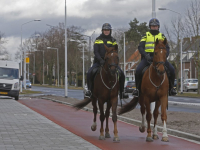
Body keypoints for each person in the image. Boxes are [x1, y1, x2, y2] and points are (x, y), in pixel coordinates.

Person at [132, 18, 177, 97]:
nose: (154, 27)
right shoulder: (145, 35)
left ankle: (171, 89)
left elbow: (167, 48)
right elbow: (140, 47)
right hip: (148, 57)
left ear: (158, 27)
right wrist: (146, 55)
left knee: (172, 70)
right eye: (153, 26)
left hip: (160, 58)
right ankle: (137, 89)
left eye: (156, 26)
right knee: (138, 71)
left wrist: (165, 56)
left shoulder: (162, 36)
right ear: (150, 27)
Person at [85, 23, 128, 100]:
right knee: (90, 72)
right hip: (99, 61)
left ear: (110, 31)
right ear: (102, 31)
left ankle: (122, 92)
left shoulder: (113, 40)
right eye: (105, 30)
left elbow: (115, 51)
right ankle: (89, 91)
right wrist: (100, 60)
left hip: (111, 62)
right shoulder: (98, 40)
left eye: (108, 30)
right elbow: (96, 52)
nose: (106, 31)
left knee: (121, 74)